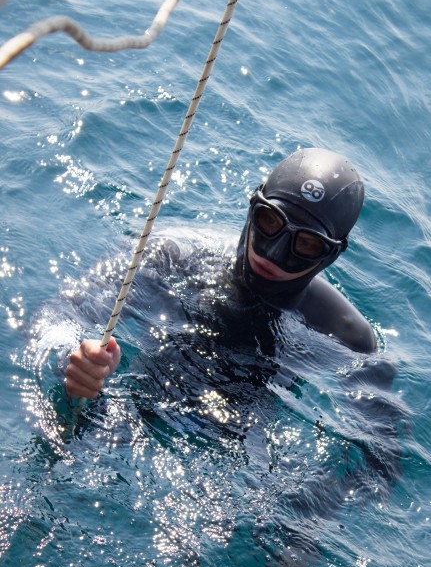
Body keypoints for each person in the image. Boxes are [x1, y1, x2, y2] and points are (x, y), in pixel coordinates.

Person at [65, 147, 378, 400]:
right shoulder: (167, 255)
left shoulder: (349, 338)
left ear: (331, 255)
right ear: (253, 207)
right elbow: (60, 317)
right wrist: (76, 359)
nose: (274, 253)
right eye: (269, 222)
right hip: (138, 407)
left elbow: (379, 453)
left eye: (307, 245)